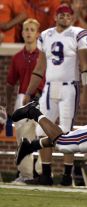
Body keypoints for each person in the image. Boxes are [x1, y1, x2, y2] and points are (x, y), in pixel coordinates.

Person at [22, 4, 87, 186]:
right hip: (50, 88)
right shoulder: (46, 35)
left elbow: (85, 65)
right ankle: (46, 174)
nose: (65, 18)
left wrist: (86, 90)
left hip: (70, 87)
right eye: (62, 14)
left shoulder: (78, 33)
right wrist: (29, 92)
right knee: (41, 130)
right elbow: (39, 68)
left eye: (68, 15)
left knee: (67, 131)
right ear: (55, 16)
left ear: (72, 17)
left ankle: (68, 176)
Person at [5, 18, 45, 183]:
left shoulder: (44, 56)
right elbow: (10, 83)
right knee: (22, 138)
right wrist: (8, 105)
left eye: (31, 30)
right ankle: (25, 175)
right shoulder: (16, 58)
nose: (28, 33)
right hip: (22, 98)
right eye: (26, 29)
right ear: (21, 33)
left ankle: (43, 173)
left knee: (43, 137)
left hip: (42, 98)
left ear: (37, 34)